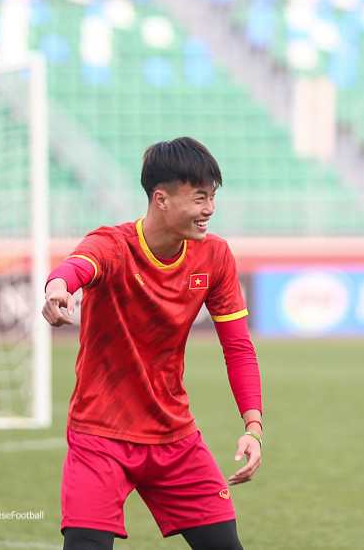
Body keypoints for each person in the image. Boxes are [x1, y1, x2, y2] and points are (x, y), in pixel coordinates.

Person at [42, 137, 262, 550]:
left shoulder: (214, 256)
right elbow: (76, 267)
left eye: (212, 197)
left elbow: (238, 348)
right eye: (199, 197)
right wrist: (57, 290)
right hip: (100, 437)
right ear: (161, 199)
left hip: (175, 437)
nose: (210, 209)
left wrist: (254, 427)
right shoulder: (113, 245)